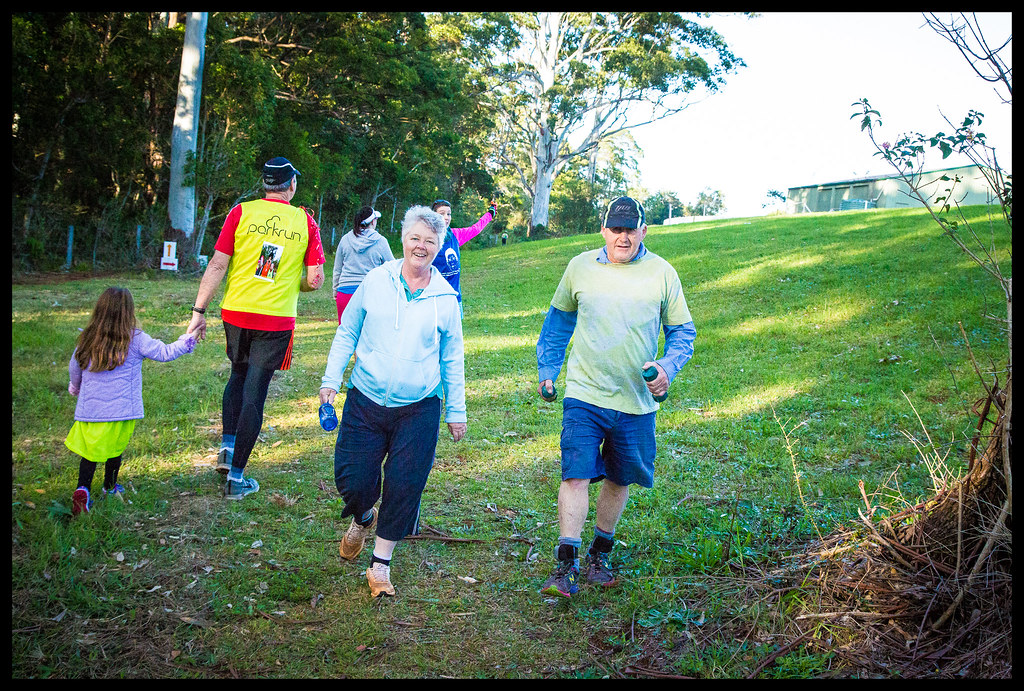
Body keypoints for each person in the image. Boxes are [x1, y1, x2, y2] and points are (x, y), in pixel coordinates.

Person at [535, 196, 696, 598]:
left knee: (619, 478)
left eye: (631, 229)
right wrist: (547, 372)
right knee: (575, 474)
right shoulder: (580, 268)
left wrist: (666, 367)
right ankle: (565, 566)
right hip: (585, 394)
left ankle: (599, 554)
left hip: (636, 402)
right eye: (616, 229)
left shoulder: (663, 274)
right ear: (604, 230)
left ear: (644, 230)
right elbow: (557, 324)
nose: (623, 237)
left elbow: (683, 333)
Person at [319, 205, 467, 598]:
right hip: (366, 398)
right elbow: (347, 331)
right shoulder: (376, 280)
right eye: (415, 238)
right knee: (352, 478)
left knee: (405, 483)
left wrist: (457, 410)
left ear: (438, 247)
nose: (421, 246)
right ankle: (362, 516)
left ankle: (380, 564)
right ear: (403, 239)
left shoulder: (445, 298)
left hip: (419, 406)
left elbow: (452, 357)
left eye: (429, 241)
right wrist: (331, 380)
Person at [187, 156, 326, 501]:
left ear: (265, 184)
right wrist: (295, 282)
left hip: (235, 312)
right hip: (274, 318)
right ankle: (236, 478)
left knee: (237, 375)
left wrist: (198, 310)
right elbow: (315, 279)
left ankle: (226, 446)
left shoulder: (241, 212)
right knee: (255, 392)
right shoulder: (304, 221)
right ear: (291, 185)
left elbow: (219, 263)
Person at [65, 287, 196, 516]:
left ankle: (83, 488)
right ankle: (109, 486)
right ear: (129, 312)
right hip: (122, 410)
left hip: (92, 411)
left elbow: (75, 365)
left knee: (90, 452)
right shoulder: (135, 339)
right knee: (115, 449)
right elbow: (164, 352)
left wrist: (75, 386)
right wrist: (187, 341)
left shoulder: (87, 337)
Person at [430, 197, 496, 309]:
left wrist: (490, 214)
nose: (446, 217)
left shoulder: (455, 235)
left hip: (455, 299)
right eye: (442, 214)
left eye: (449, 214)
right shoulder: (427, 238)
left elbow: (476, 229)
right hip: (434, 300)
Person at [332, 205, 395, 323]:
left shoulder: (345, 239)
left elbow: (337, 269)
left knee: (345, 335)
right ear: (372, 222)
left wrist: (336, 290)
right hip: (370, 292)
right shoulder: (380, 241)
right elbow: (392, 268)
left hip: (345, 292)